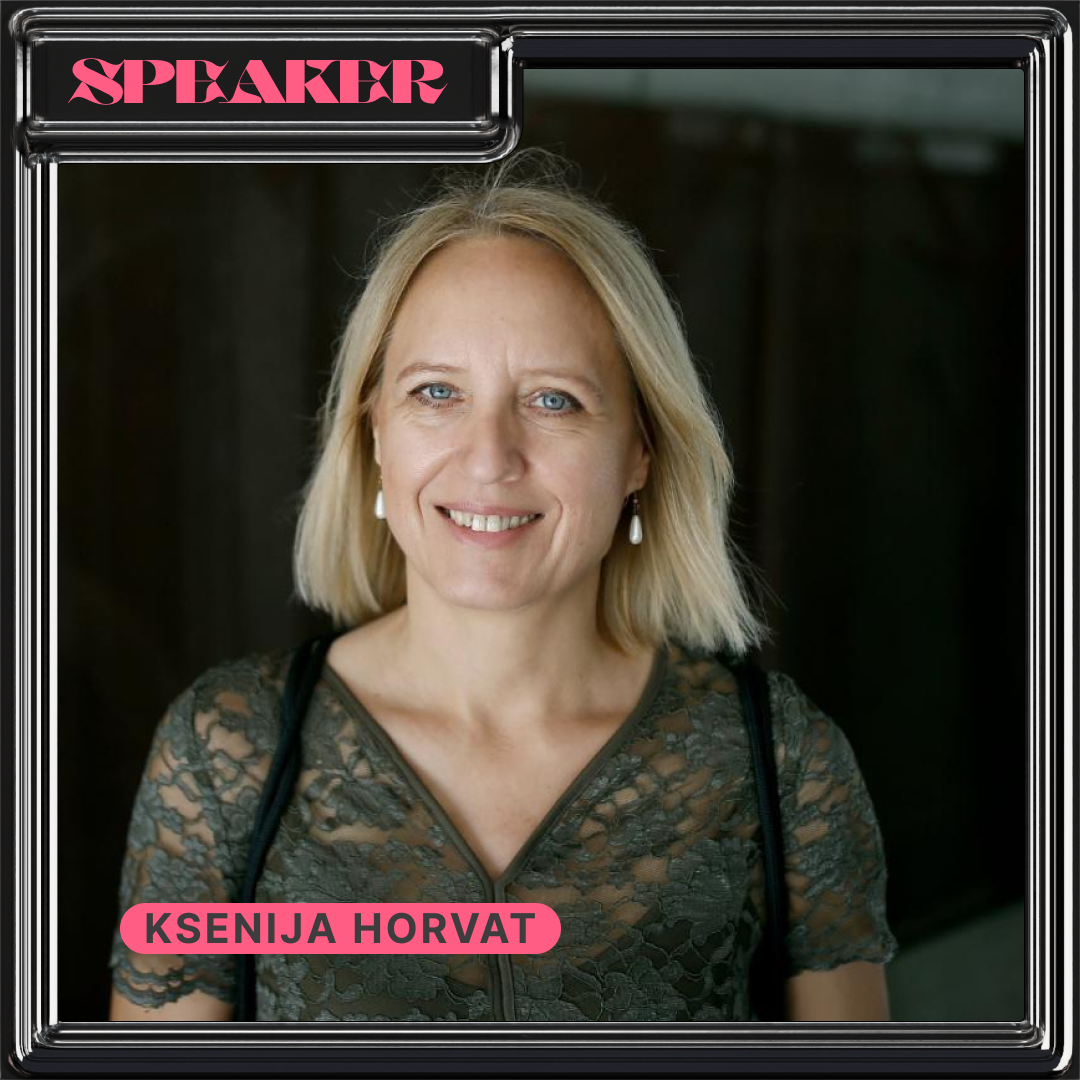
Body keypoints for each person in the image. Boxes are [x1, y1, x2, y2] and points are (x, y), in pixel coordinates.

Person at [108, 150, 897, 1023]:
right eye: (436, 392)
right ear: (375, 433)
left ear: (641, 451)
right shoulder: (224, 755)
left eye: (554, 400)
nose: (489, 458)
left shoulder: (782, 761)